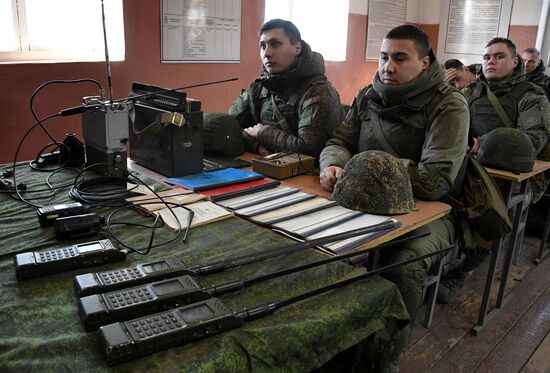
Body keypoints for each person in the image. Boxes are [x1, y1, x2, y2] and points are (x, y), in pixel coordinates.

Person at [319, 24, 469, 365]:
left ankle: (384, 355)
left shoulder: (449, 106)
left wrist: (365, 167)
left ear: (425, 62)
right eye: (384, 57)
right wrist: (333, 165)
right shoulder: (368, 95)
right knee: (307, 245)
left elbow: (435, 181)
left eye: (400, 58)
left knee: (402, 265)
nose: (388, 67)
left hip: (428, 212)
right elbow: (339, 142)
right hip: (359, 201)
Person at [227, 19, 341, 159]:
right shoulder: (259, 87)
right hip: (266, 166)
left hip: (306, 175)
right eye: (263, 46)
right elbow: (228, 126)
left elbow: (310, 149)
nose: (267, 53)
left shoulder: (318, 91)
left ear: (297, 48)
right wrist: (256, 145)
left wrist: (263, 133)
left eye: (275, 44)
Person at [463, 38, 550, 203]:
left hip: (517, 174)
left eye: (499, 56)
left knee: (488, 207)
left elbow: (533, 138)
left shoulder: (530, 96)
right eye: (487, 57)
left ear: (515, 62)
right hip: (471, 165)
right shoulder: (471, 92)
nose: (491, 62)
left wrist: (479, 145)